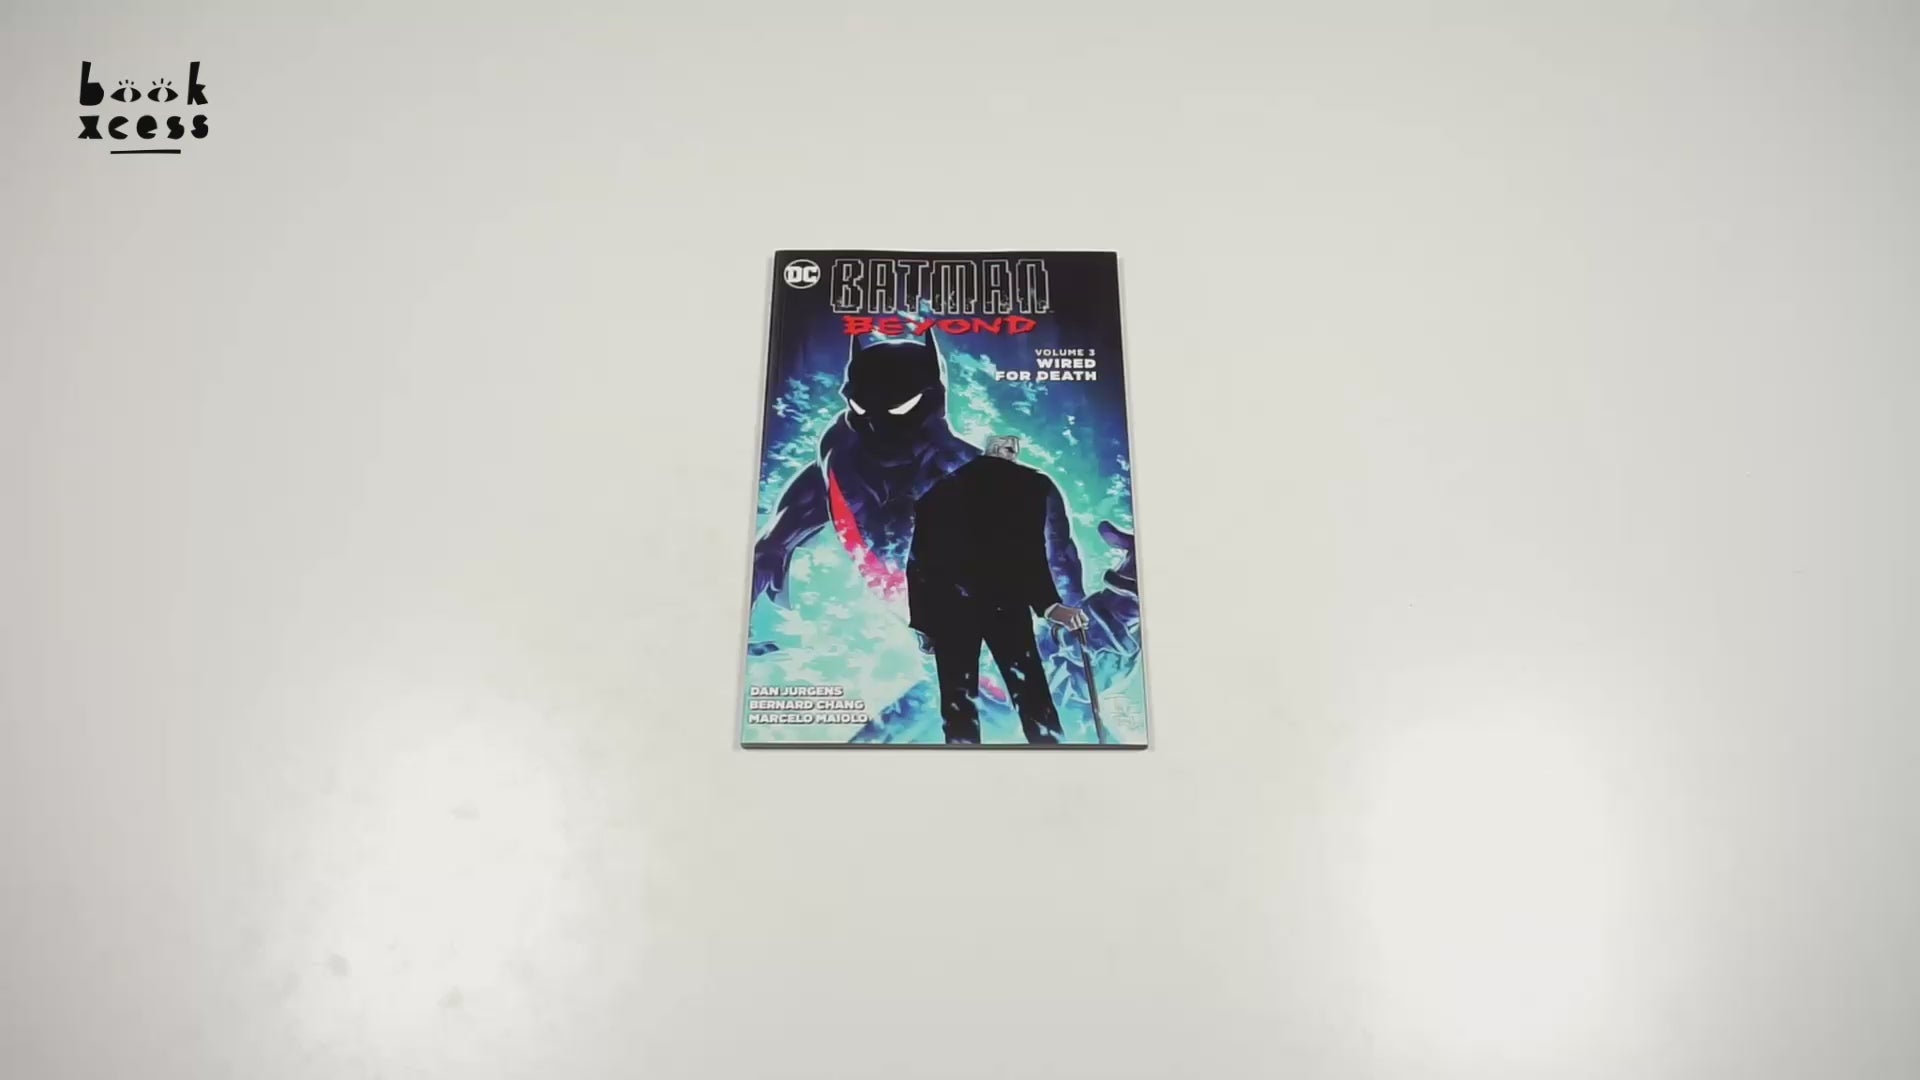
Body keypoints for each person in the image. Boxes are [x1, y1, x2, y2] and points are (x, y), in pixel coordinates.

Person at [906, 436, 1090, 744]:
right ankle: (1050, 754)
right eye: (1012, 450)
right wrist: (1049, 605)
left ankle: (963, 761)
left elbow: (918, 563)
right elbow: (1028, 549)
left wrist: (923, 623)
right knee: (1032, 695)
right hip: (1006, 604)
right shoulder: (1028, 484)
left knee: (957, 704)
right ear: (1002, 451)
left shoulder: (937, 493)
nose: (1015, 456)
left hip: (950, 609)